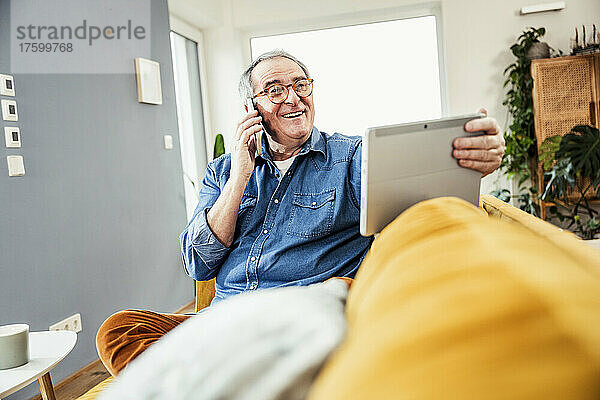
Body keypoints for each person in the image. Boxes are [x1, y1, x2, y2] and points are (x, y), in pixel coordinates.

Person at [96, 50, 505, 376]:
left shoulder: (352, 158)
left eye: (300, 85)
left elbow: (423, 197)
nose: (292, 98)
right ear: (251, 109)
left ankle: (230, 377)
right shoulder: (223, 171)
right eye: (274, 89)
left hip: (296, 320)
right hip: (223, 320)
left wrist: (472, 161)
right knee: (119, 330)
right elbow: (197, 264)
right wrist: (239, 178)